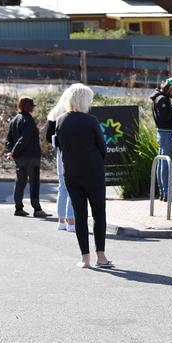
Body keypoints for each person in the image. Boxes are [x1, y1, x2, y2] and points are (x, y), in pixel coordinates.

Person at [55, 84, 112, 269]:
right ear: (84, 100)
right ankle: (101, 257)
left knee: (80, 215)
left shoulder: (60, 120)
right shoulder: (91, 121)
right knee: (98, 214)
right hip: (93, 172)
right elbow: (102, 147)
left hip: (71, 172)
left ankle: (85, 259)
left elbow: (61, 146)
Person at [5, 97, 50, 218]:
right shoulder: (28, 120)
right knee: (34, 182)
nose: (34, 108)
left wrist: (11, 152)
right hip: (31, 157)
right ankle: (37, 209)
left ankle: (18, 208)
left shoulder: (14, 120)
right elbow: (24, 139)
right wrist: (13, 153)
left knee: (20, 182)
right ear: (28, 107)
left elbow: (8, 140)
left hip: (19, 158)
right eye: (32, 106)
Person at [46, 89, 75, 231]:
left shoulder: (54, 113)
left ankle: (61, 220)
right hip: (70, 151)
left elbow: (48, 137)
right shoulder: (71, 113)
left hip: (59, 151)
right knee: (72, 187)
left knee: (62, 186)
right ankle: (71, 221)